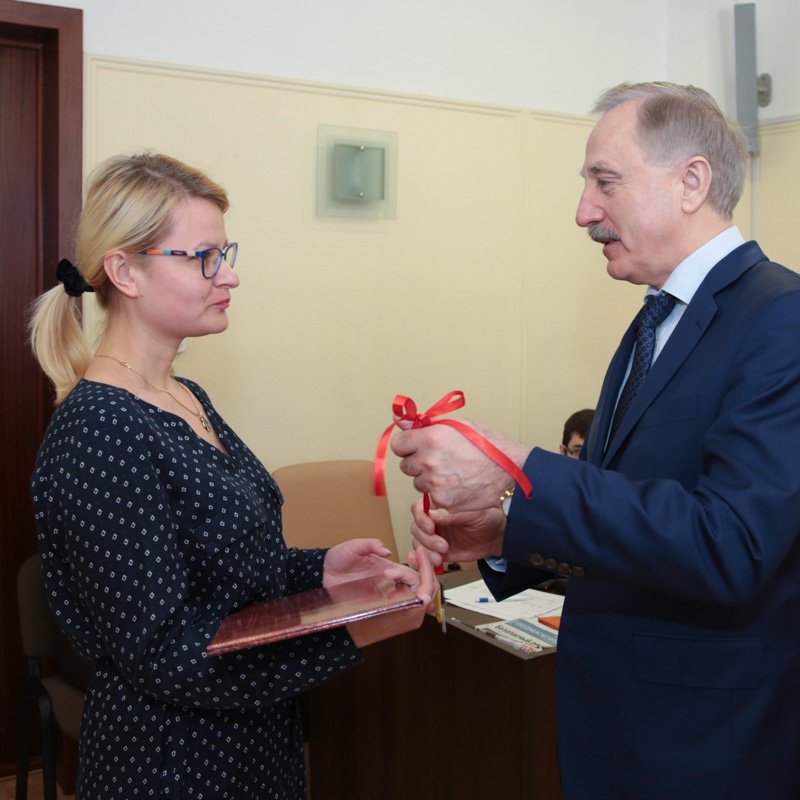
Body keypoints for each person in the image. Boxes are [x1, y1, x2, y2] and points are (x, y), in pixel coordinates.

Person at [394, 82, 800, 799]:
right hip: (620, 729)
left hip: (707, 743)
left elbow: (732, 544)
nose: (584, 211)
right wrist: (504, 533)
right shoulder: (655, 320)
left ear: (691, 182)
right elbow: (634, 512)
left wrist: (517, 471)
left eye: (604, 182)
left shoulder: (781, 318)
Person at [29, 152, 436, 800]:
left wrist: (321, 572)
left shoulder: (184, 394)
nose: (230, 275)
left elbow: (223, 573)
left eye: (225, 253)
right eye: (204, 257)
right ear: (124, 271)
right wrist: (349, 632)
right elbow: (167, 655)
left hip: (251, 741)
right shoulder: (100, 430)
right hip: (171, 764)